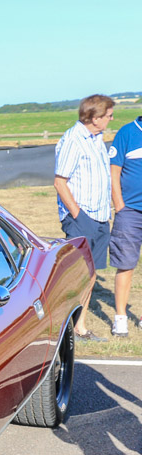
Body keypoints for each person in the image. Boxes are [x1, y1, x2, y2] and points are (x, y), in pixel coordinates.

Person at [53, 94, 115, 342]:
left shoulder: (97, 139)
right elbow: (60, 182)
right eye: (109, 115)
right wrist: (79, 216)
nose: (111, 119)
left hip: (100, 216)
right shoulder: (73, 140)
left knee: (90, 274)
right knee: (77, 274)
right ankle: (65, 328)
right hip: (83, 217)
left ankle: (80, 327)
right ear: (95, 117)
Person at [108, 115, 142, 336]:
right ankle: (120, 318)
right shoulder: (127, 133)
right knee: (126, 264)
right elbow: (114, 172)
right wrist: (119, 205)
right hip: (130, 212)